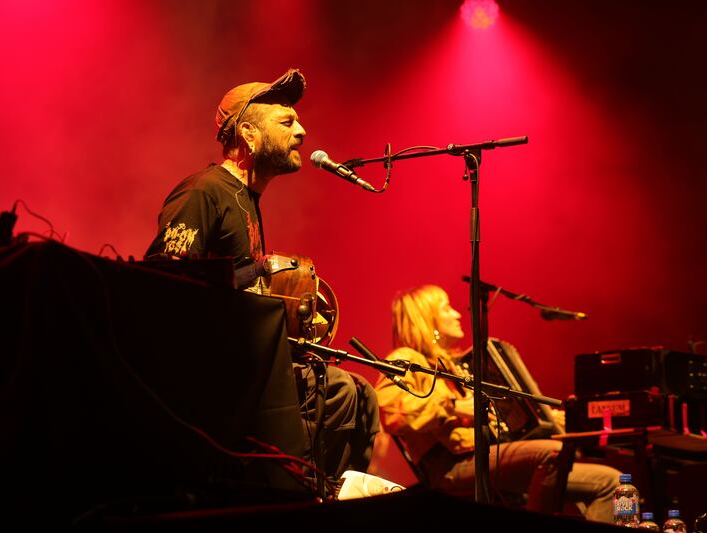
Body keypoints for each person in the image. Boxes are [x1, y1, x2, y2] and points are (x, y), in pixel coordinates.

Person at [145, 68, 379, 483]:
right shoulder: (204, 191)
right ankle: (291, 488)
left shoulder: (247, 200)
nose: (303, 131)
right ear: (249, 136)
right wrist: (261, 269)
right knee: (340, 392)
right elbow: (162, 284)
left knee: (358, 393)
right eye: (287, 122)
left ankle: (307, 487)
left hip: (247, 366)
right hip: (215, 374)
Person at [375, 284, 620, 522]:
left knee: (614, 483)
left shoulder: (453, 366)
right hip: (452, 467)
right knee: (552, 453)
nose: (458, 314)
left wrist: (550, 418)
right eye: (447, 308)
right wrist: (452, 407)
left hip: (485, 456)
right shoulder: (405, 358)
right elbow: (391, 412)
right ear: (426, 318)